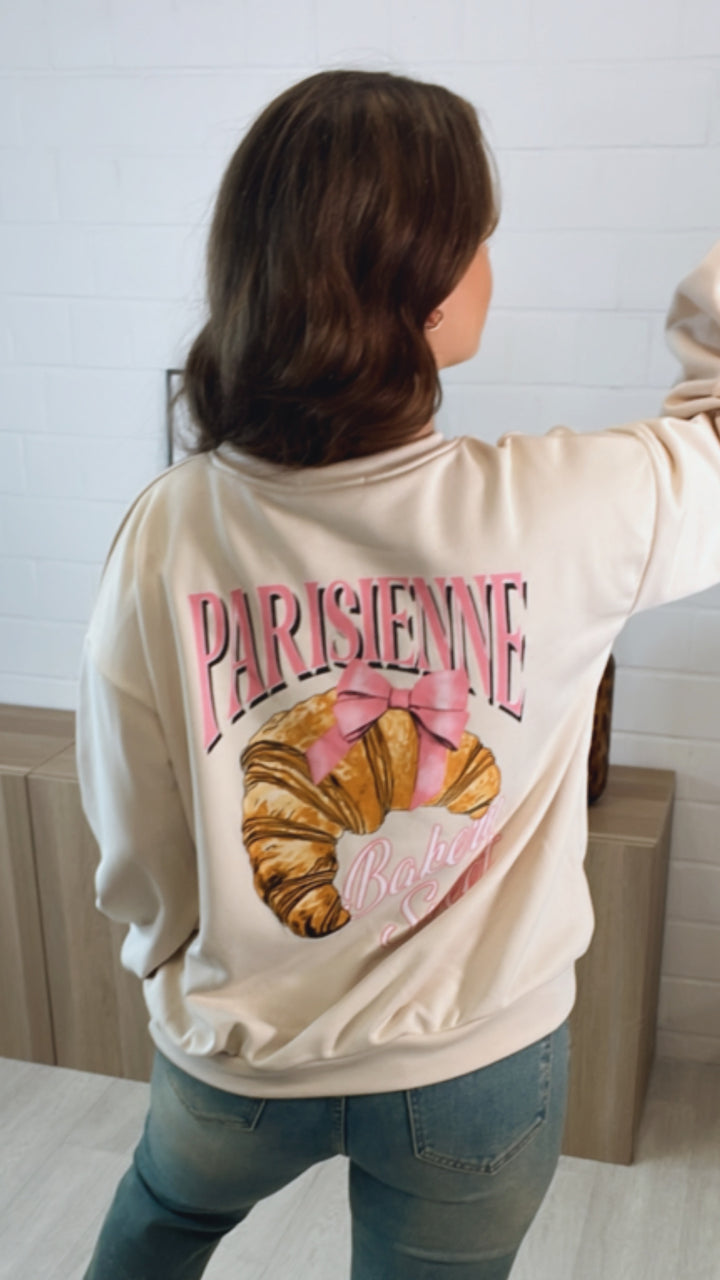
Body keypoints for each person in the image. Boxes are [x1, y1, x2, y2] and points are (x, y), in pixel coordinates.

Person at [76, 68, 720, 1280]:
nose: (490, 263)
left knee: (156, 1224)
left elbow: (131, 811)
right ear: (427, 286)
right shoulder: (575, 505)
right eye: (481, 237)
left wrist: (173, 964)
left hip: (238, 1045)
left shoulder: (170, 526)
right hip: (475, 1061)